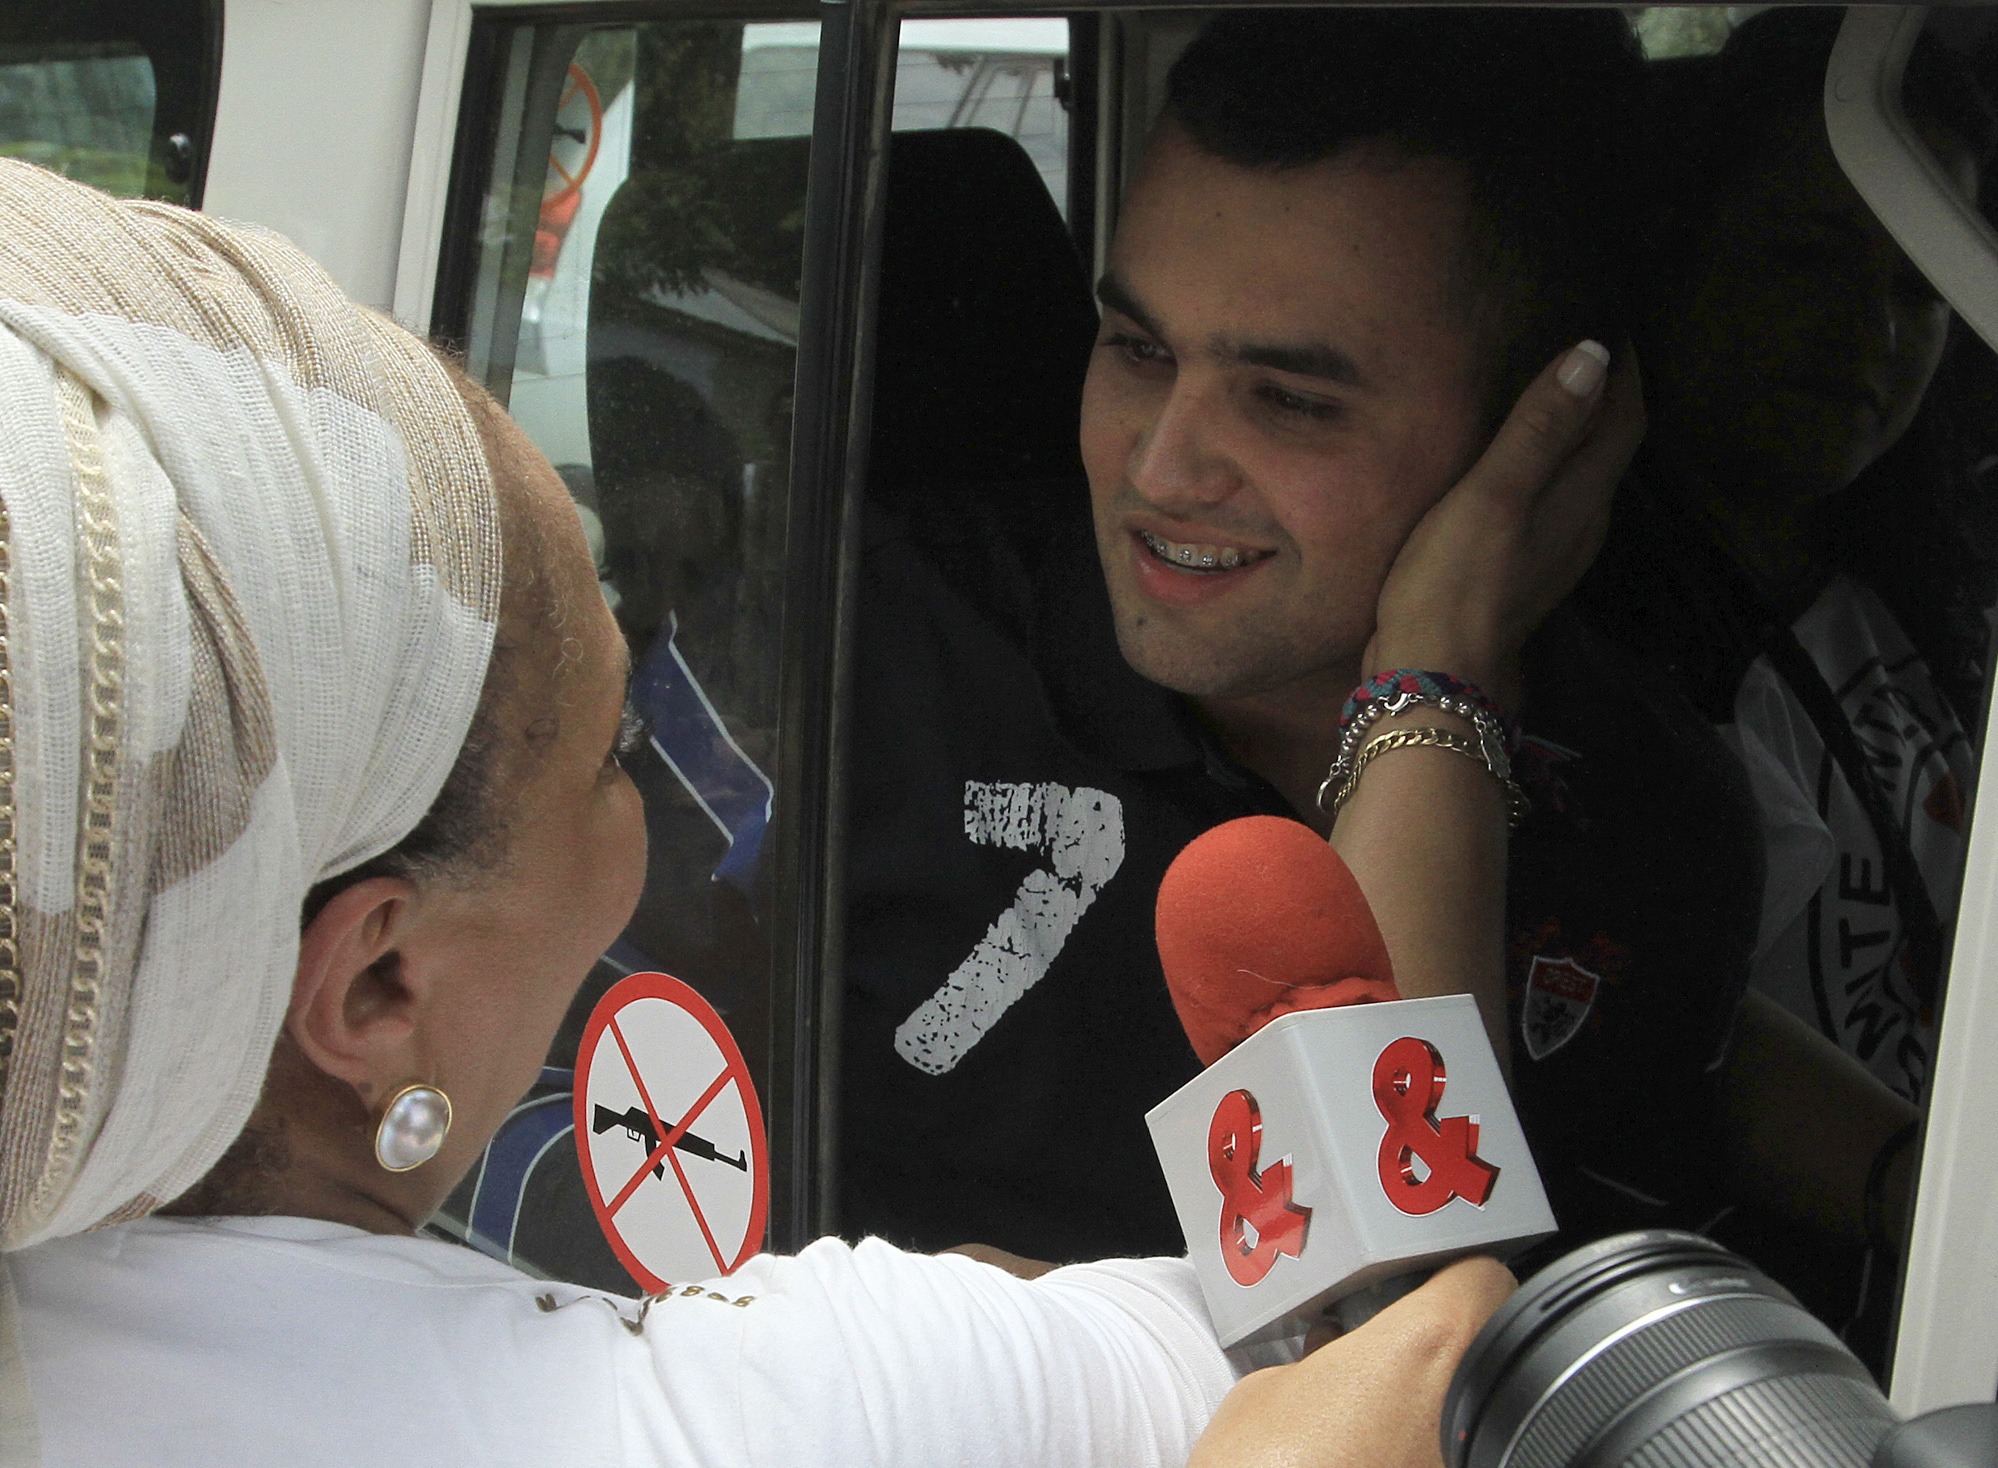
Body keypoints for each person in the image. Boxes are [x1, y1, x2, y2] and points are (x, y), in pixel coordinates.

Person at [0, 157, 1526, 1468]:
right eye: (610, 755)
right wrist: (1437, 693)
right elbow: (1396, 1359)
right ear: (379, 980)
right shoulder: (817, 1408)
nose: (676, 800)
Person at [837, 8, 1770, 1266]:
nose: (1158, 469)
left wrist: (1430, 689)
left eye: (1288, 399)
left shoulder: (1649, 814)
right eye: (1136, 348)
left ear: (1542, 427)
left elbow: (1402, 1319)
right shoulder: (865, 664)